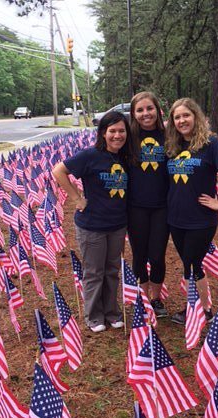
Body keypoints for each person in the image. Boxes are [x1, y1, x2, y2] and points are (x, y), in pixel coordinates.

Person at [52, 111, 134, 333]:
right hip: (92, 225)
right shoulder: (90, 155)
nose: (117, 135)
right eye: (112, 131)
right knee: (94, 272)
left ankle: (112, 312)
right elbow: (58, 171)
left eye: (121, 131)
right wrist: (77, 198)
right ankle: (94, 316)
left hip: (117, 224)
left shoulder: (125, 157)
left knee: (112, 270)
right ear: (103, 133)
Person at [165, 98, 218, 324]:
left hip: (200, 219)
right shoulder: (173, 146)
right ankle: (201, 308)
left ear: (196, 116)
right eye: (177, 117)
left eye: (186, 115)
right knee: (191, 264)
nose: (181, 120)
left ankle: (201, 310)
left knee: (192, 264)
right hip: (175, 218)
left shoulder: (210, 144)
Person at [128, 91, 169, 317]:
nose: (146, 114)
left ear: (157, 110)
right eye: (140, 110)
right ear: (134, 114)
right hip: (135, 207)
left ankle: (156, 298)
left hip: (162, 206)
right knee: (139, 255)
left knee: (157, 255)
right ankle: (142, 300)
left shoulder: (169, 136)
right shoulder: (128, 138)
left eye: (149, 109)